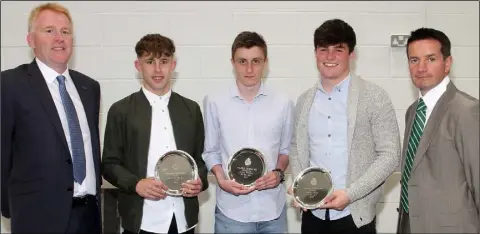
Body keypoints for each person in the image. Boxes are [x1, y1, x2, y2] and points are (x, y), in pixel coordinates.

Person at [288, 18, 401, 234]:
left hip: (354, 214)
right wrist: (300, 187)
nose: (329, 57)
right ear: (315, 54)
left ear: (352, 55)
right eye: (323, 49)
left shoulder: (374, 97)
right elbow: (296, 147)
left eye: (338, 50)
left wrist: (350, 194)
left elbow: (390, 155)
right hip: (313, 214)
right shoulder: (304, 102)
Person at [1, 2, 102, 233]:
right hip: (36, 217)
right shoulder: (9, 85)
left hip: (88, 216)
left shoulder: (89, 88)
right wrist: (12, 208)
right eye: (49, 31)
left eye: (65, 32)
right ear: (31, 40)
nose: (60, 38)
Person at [101, 33, 209, 234]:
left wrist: (200, 182)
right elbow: (109, 164)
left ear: (173, 65)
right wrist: (136, 184)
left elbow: (201, 160)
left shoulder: (191, 109)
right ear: (138, 65)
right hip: (142, 220)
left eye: (164, 61)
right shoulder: (121, 110)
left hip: (184, 220)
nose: (158, 69)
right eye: (150, 61)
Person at [202, 31, 294, 233]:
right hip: (232, 212)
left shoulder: (283, 103)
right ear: (232, 62)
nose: (249, 69)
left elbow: (286, 150)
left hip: (273, 213)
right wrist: (221, 178)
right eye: (242, 61)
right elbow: (210, 151)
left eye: (256, 61)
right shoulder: (215, 102)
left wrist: (278, 173)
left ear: (266, 62)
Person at [396, 27, 479, 234]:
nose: (421, 68)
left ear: (447, 63)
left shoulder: (466, 110)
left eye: (430, 59)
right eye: (414, 60)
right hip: (409, 224)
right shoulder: (412, 112)